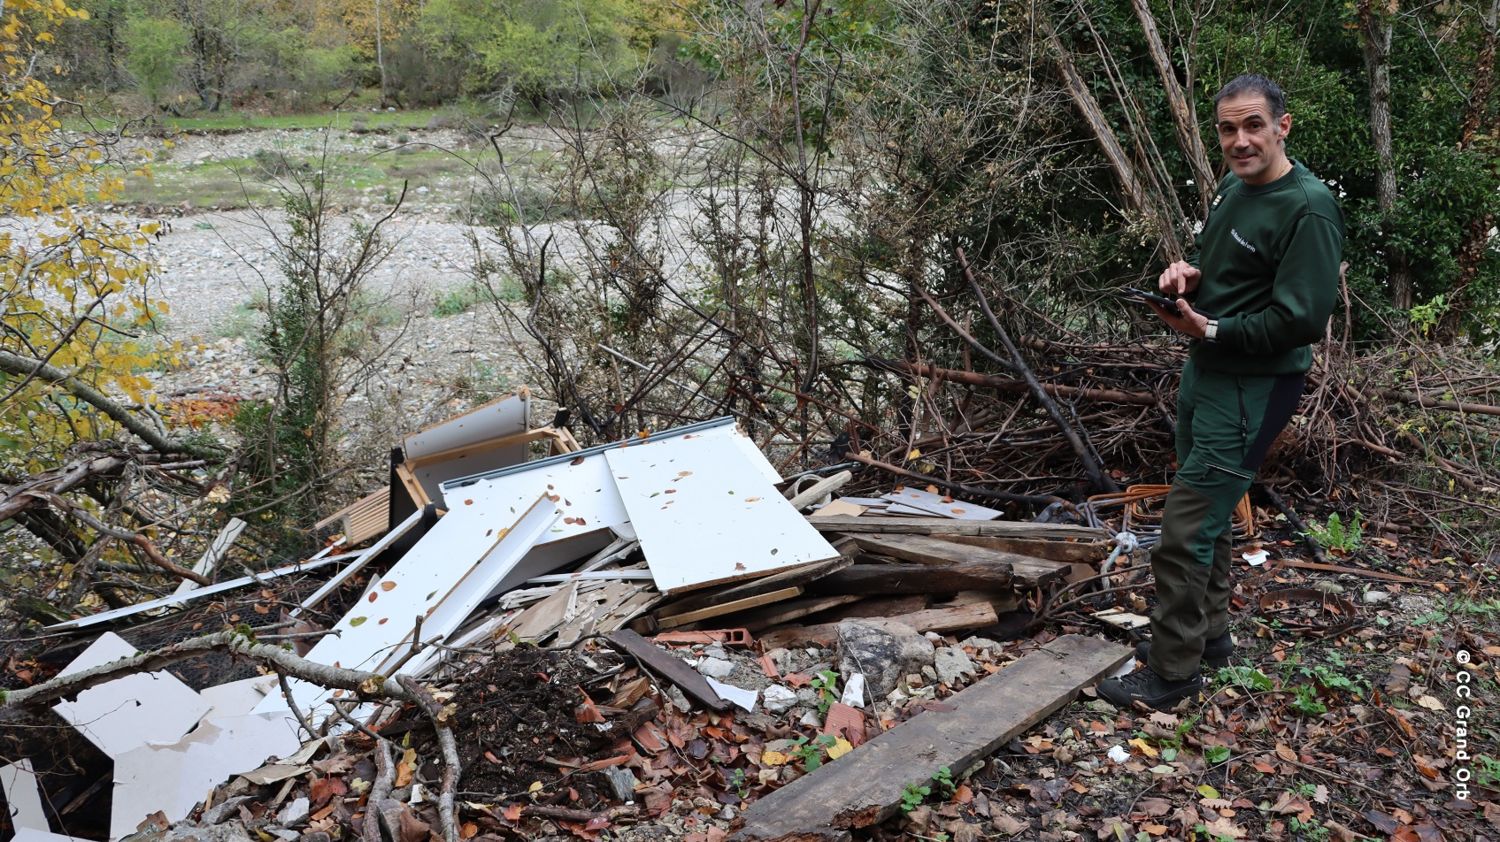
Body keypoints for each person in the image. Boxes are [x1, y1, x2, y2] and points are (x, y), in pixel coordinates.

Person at [1096, 74, 1345, 711]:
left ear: (1281, 126)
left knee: (1184, 530)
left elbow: (1301, 319)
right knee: (1209, 516)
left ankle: (1172, 675)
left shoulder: (1308, 208)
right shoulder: (1235, 187)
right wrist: (1190, 277)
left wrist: (1208, 325)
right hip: (1208, 368)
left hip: (1255, 385)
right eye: (1228, 129)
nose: (1240, 140)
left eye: (1253, 125)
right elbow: (1235, 273)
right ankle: (1209, 640)